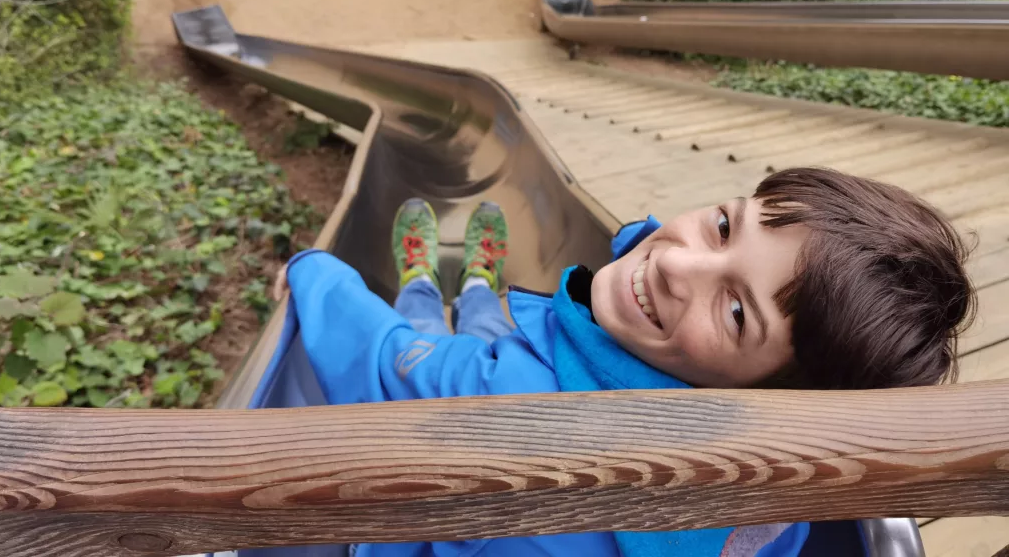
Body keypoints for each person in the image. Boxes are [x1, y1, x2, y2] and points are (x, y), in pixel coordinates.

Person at [275, 167, 976, 557]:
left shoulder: (518, 403)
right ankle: (483, 288)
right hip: (554, 363)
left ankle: (427, 285)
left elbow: (386, 359)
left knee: (430, 333)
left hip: (455, 454)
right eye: (724, 225)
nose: (676, 262)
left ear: (776, 398)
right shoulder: (775, 506)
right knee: (522, 319)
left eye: (736, 313)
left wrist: (315, 273)